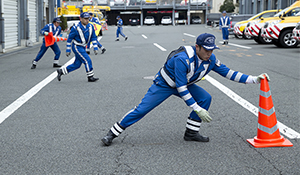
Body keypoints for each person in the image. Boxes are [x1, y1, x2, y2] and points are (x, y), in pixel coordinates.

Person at [101, 33, 270, 146]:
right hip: (164, 85)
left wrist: (255, 79)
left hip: (184, 84)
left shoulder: (210, 59)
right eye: (206, 50)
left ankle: (191, 133)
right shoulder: (182, 59)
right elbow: (181, 88)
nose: (209, 54)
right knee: (142, 110)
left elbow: (230, 73)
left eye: (212, 50)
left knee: (206, 98)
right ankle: (113, 132)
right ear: (197, 47)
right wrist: (197, 109)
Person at [56, 12, 99, 82]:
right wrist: (68, 50)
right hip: (77, 46)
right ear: (81, 19)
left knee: (77, 64)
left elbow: (93, 37)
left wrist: (95, 48)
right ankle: (90, 76)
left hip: (83, 47)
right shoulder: (75, 27)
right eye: (85, 19)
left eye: (88, 18)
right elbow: (69, 39)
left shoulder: (91, 27)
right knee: (87, 60)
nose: (87, 20)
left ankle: (61, 71)